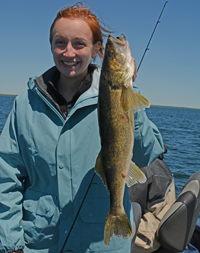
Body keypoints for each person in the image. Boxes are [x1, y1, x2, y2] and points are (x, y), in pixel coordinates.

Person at [0, 2, 168, 253]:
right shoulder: (25, 105)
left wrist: (130, 91)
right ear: (51, 46)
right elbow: (6, 177)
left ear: (97, 50)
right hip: (40, 245)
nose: (69, 53)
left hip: (101, 246)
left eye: (79, 43)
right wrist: (11, 243)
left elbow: (146, 154)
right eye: (60, 43)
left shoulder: (120, 95)